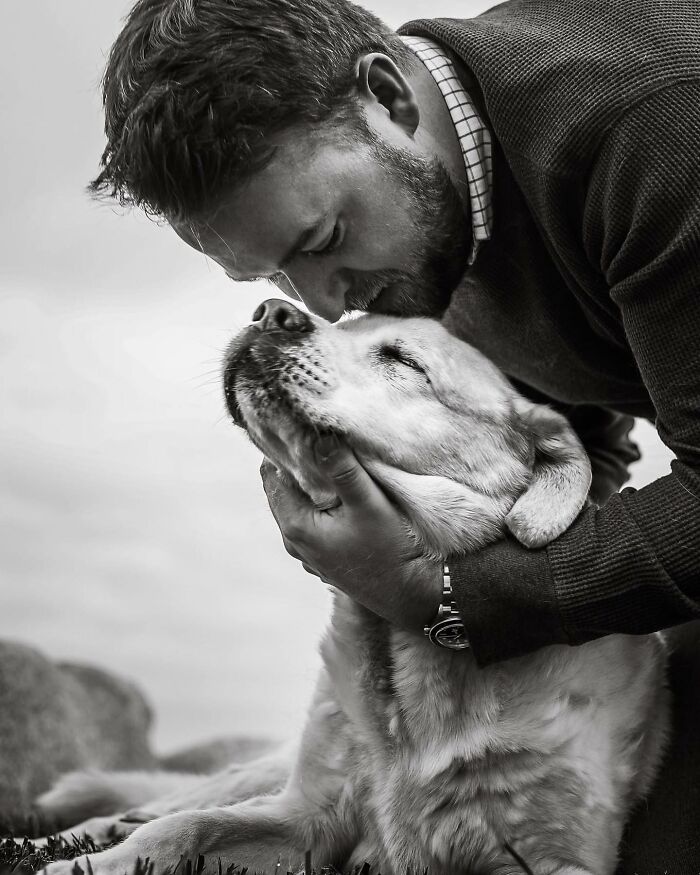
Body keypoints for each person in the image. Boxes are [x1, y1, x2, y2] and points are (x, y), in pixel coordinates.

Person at [90, 0, 700, 868]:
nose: (328, 304)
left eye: (325, 238)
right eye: (273, 273)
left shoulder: (656, 126)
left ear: (389, 95)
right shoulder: (432, 210)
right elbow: (571, 449)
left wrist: (448, 594)